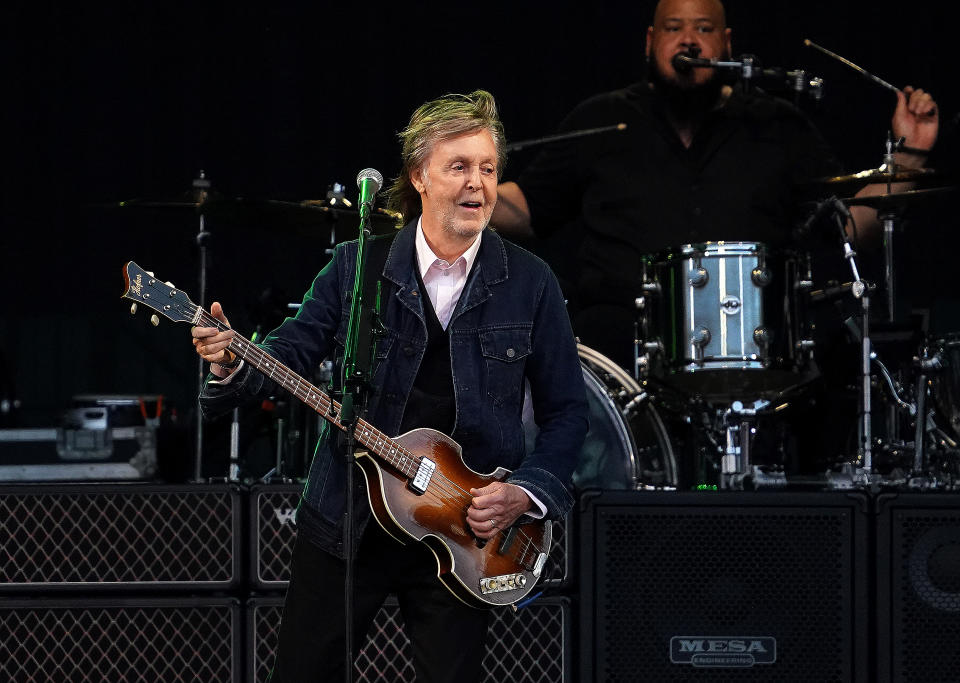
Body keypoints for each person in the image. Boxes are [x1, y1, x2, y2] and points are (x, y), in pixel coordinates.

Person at [190, 90, 588, 682]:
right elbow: (292, 351)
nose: (477, 184)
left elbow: (568, 414)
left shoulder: (529, 281)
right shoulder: (358, 266)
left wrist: (525, 494)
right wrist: (231, 362)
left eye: (487, 168)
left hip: (463, 531)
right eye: (459, 167)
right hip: (348, 518)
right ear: (418, 177)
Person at [493, 0, 939, 371]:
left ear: (727, 45)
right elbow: (528, 208)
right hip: (617, 357)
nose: (689, 39)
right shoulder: (602, 119)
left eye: (704, 28)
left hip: (751, 355)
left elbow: (850, 228)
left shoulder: (776, 124)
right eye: (674, 28)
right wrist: (447, 193)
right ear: (651, 43)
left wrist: (910, 156)